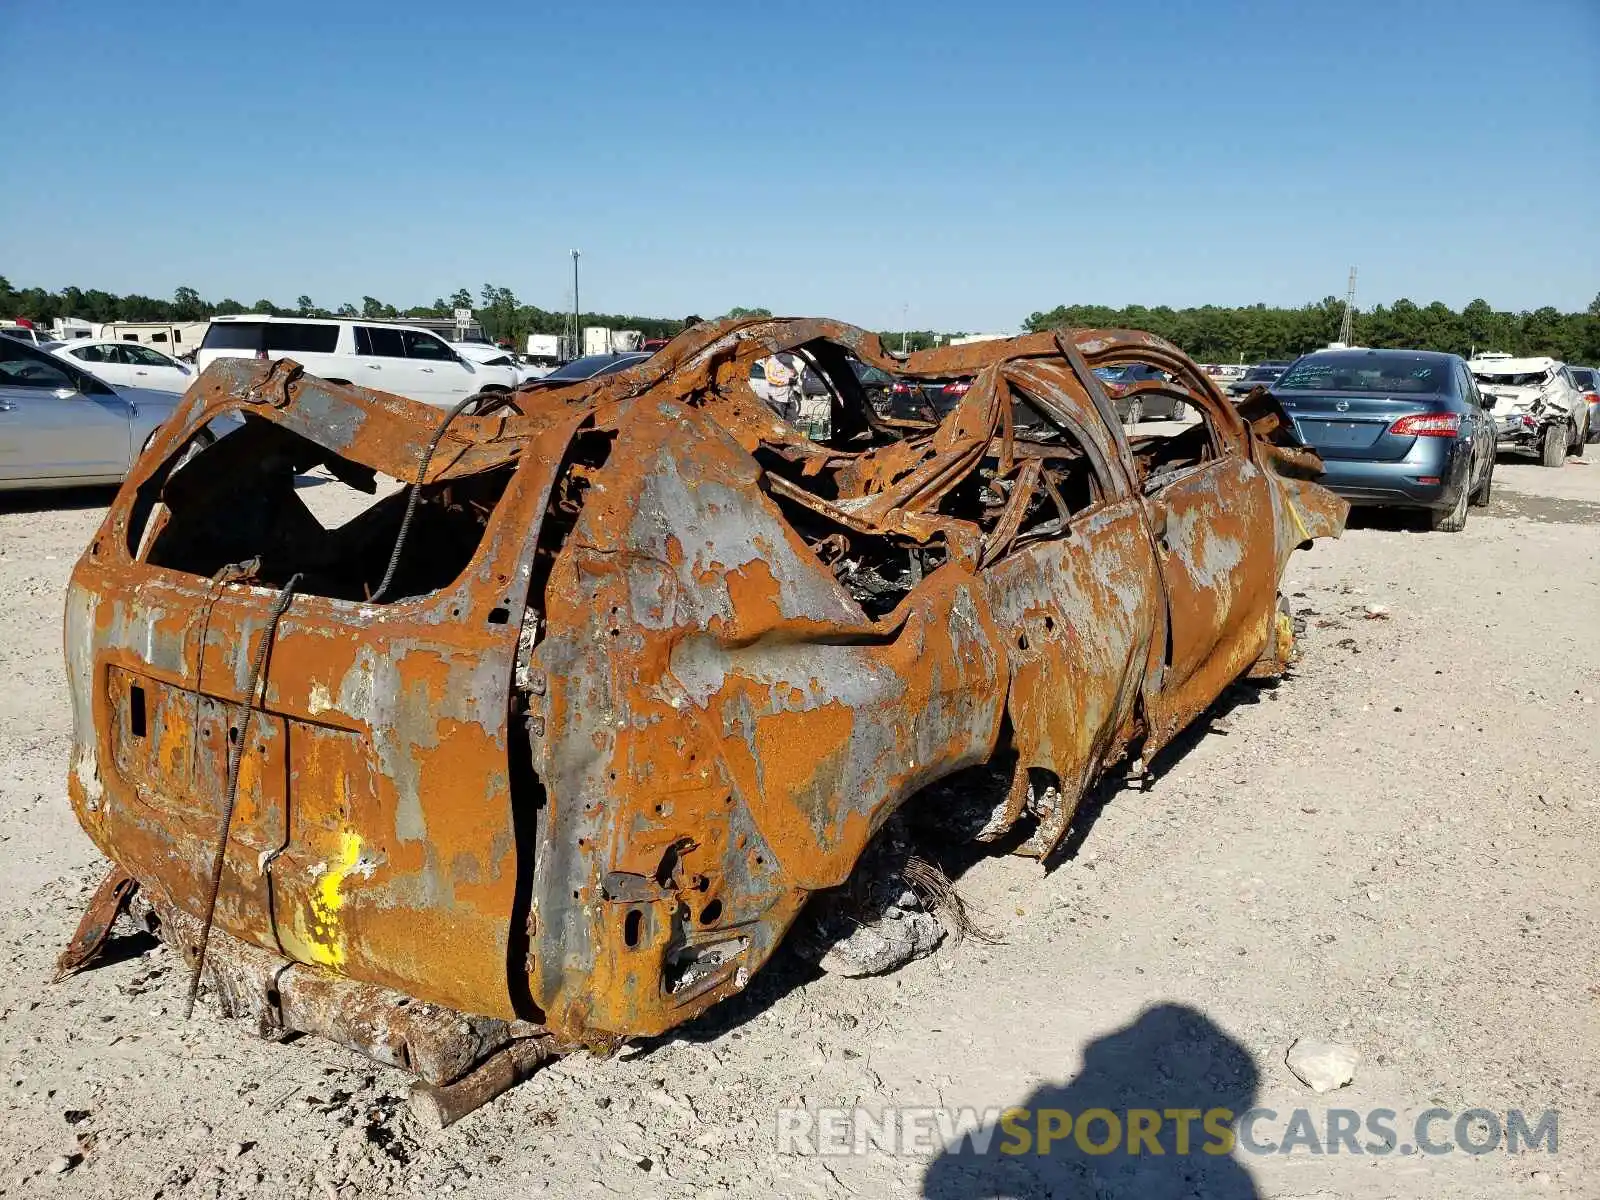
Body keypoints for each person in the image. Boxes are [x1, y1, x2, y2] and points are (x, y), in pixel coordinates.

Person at [758, 352, 801, 421]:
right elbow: (770, 378)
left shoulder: (788, 362)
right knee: (778, 419)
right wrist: (787, 381)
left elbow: (795, 373)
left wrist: (794, 378)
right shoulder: (771, 363)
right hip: (777, 397)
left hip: (790, 397)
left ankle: (790, 430)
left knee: (791, 419)